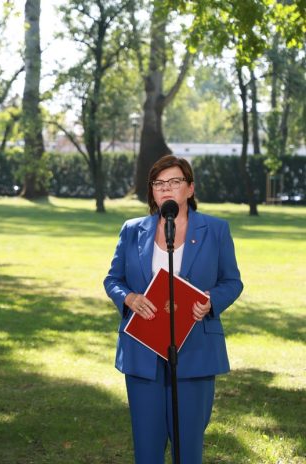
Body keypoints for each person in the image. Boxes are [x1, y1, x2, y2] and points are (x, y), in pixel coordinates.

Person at [103, 155, 243, 463]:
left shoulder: (216, 230)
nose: (166, 189)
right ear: (152, 191)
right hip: (143, 352)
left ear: (190, 188)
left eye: (175, 182)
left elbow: (232, 282)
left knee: (188, 449)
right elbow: (113, 279)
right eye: (159, 183)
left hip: (195, 352)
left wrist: (211, 301)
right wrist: (129, 298)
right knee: (147, 450)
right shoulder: (132, 229)